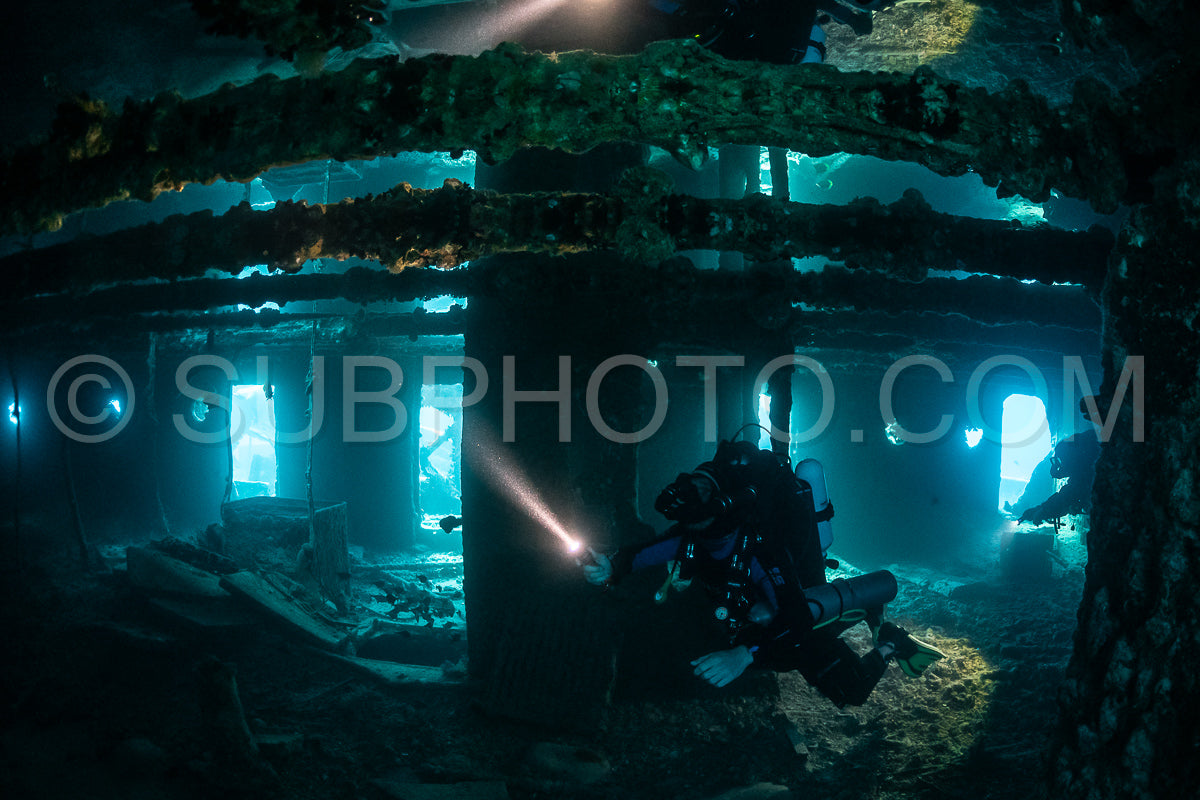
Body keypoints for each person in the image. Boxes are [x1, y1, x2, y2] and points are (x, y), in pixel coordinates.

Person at [583, 439, 943, 707]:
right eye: (694, 521)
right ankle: (861, 610)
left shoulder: (760, 549)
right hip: (755, 626)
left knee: (852, 693)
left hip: (792, 626)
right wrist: (610, 566)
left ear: (726, 510)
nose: (700, 529)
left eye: (707, 515)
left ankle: (889, 641)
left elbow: (796, 617)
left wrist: (744, 653)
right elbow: (640, 555)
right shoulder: (691, 534)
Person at [1016, 407, 1101, 526]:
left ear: (1073, 458)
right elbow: (1070, 493)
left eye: (1062, 459)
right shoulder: (1085, 460)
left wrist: (1043, 510)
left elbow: (1071, 493)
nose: (1060, 465)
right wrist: (1042, 510)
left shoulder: (1088, 470)